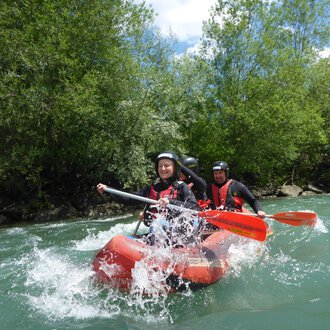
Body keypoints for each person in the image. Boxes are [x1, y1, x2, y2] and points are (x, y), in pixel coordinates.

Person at [97, 151, 199, 245]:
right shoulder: (152, 188)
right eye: (160, 166)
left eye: (167, 165)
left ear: (174, 168)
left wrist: (170, 202)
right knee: (122, 241)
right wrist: (108, 190)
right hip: (156, 234)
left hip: (177, 236)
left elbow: (194, 207)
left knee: (159, 225)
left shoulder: (181, 187)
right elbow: (129, 199)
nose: (163, 169)